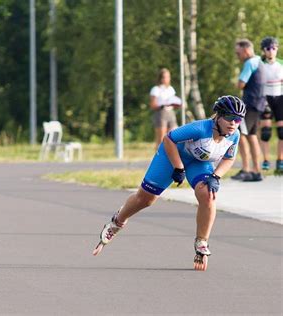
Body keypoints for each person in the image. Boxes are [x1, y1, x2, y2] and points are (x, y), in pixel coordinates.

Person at [92, 95, 246, 271]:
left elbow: (229, 158)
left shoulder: (234, 136)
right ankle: (117, 221)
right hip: (171, 156)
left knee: (209, 194)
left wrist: (216, 176)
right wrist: (178, 167)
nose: (233, 123)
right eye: (229, 117)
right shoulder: (200, 128)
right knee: (146, 200)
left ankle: (201, 242)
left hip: (199, 162)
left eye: (238, 119)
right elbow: (168, 139)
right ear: (218, 116)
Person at [231, 39, 266, 181]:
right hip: (259, 104)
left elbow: (241, 84)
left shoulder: (249, 63)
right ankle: (256, 171)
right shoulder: (260, 61)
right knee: (251, 136)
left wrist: (237, 83)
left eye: (238, 53)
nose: (237, 56)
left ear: (246, 50)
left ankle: (246, 169)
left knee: (240, 135)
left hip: (250, 105)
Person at [259, 37, 283, 175]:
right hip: (265, 98)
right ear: (264, 50)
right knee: (266, 132)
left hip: (280, 97)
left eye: (274, 48)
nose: (271, 51)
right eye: (268, 48)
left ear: (277, 49)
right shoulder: (260, 65)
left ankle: (280, 160)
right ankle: (266, 160)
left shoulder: (281, 64)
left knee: (282, 132)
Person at [149, 68, 182, 150]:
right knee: (161, 138)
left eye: (168, 77)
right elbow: (152, 105)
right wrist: (162, 105)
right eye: (164, 77)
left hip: (170, 112)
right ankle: (158, 158)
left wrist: (176, 104)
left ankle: (169, 157)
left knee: (173, 136)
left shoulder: (170, 89)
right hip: (161, 113)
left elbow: (173, 100)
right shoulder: (156, 89)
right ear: (160, 78)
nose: (166, 79)